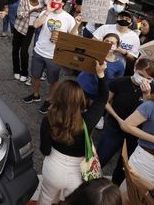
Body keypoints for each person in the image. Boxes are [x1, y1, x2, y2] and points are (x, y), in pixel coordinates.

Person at [39, 61, 108, 203]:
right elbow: (102, 98)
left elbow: (45, 150)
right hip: (79, 173)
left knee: (46, 198)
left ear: (58, 96)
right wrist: (100, 74)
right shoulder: (88, 120)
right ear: (80, 99)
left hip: (53, 168)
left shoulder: (49, 119)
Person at [97, 57, 154, 185]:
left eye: (148, 79)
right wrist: (119, 119)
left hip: (136, 132)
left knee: (124, 164)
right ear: (135, 70)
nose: (144, 80)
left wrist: (146, 95)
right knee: (101, 156)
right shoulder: (120, 82)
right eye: (141, 75)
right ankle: (89, 181)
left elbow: (150, 113)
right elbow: (106, 101)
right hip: (115, 126)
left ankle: (115, 185)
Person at [22, 0, 82, 114]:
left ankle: (49, 100)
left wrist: (77, 25)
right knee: (35, 75)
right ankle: (35, 94)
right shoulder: (46, 12)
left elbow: (73, 36)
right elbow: (35, 24)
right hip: (39, 50)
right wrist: (47, 11)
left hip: (54, 55)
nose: (54, 1)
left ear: (63, 3)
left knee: (53, 80)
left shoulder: (68, 18)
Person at [78, 33, 125, 100]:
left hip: (96, 95)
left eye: (112, 43)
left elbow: (115, 84)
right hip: (80, 86)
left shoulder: (119, 65)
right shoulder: (93, 53)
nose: (108, 44)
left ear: (117, 47)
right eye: (106, 41)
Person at [12, 0, 44, 82]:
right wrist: (32, 10)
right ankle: (16, 70)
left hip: (30, 29)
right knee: (15, 49)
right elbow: (19, 15)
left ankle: (24, 72)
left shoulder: (42, 2)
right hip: (19, 27)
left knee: (24, 51)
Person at [93, 11, 140, 75]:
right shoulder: (105, 28)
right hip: (99, 62)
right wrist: (103, 43)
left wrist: (124, 52)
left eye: (127, 19)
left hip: (117, 67)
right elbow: (92, 42)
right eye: (121, 17)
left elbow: (133, 58)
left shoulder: (134, 37)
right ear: (116, 18)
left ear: (131, 23)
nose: (124, 20)